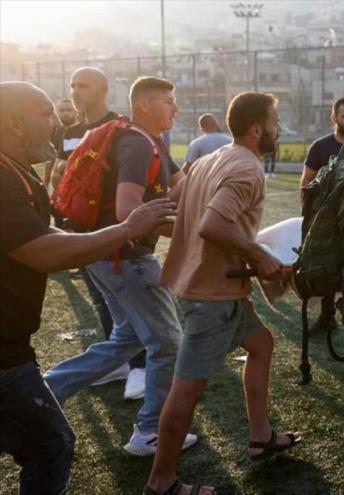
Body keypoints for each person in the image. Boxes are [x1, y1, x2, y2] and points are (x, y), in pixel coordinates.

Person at [0, 80, 176, 495]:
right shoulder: (3, 179)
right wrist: (126, 230)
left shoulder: (15, 170)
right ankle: (151, 429)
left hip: (11, 346)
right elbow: (44, 252)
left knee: (127, 339)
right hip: (4, 353)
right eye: (46, 115)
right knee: (51, 445)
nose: (58, 122)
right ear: (13, 123)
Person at [144, 91, 299, 495]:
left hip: (209, 287)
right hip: (210, 298)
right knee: (186, 392)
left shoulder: (208, 161)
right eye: (275, 122)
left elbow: (170, 209)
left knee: (262, 344)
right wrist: (257, 253)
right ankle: (162, 482)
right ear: (256, 129)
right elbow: (212, 225)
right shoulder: (247, 169)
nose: (278, 129)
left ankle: (260, 436)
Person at [43, 76, 199, 455]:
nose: (175, 109)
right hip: (126, 259)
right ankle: (149, 432)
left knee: (126, 338)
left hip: (107, 259)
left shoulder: (150, 141)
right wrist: (191, 234)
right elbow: (130, 213)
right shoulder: (137, 145)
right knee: (167, 343)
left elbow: (184, 183)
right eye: (168, 101)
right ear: (144, 104)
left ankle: (44, 389)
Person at [53, 67, 150, 397]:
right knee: (101, 299)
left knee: (127, 304)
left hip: (111, 230)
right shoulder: (70, 131)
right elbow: (61, 175)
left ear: (104, 89)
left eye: (84, 85)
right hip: (80, 230)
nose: (76, 91)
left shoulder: (119, 128)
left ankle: (139, 367)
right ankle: (119, 364)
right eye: (73, 85)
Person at [300, 97, 344, 333]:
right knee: (327, 267)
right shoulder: (320, 147)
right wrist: (309, 218)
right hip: (327, 222)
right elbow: (306, 183)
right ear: (334, 118)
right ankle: (326, 317)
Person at [44, 97, 77, 186]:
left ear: (76, 111)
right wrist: (45, 183)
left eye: (69, 110)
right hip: (58, 182)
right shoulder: (54, 132)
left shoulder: (83, 132)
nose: (65, 113)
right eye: (61, 111)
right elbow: (50, 159)